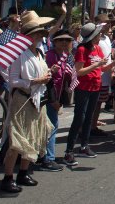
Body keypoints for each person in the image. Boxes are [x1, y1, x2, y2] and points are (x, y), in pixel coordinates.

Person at [0, 12, 55, 193]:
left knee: (34, 137)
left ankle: (23, 172)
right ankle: (8, 177)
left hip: (38, 99)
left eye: (40, 34)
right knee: (17, 141)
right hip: (22, 99)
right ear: (28, 36)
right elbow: (12, 80)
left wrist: (47, 75)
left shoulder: (39, 52)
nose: (40, 37)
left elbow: (42, 73)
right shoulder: (18, 54)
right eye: (36, 34)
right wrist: (35, 81)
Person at [63, 23, 113, 166]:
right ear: (92, 37)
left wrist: (112, 65)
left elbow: (102, 67)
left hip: (95, 86)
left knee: (89, 118)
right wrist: (97, 65)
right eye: (97, 35)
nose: (99, 37)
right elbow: (79, 71)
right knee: (79, 117)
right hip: (83, 88)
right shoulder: (82, 49)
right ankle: (69, 151)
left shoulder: (97, 49)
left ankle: (84, 145)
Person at [37, 29, 75, 172]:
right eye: (61, 40)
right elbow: (49, 80)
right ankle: (48, 159)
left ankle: (44, 155)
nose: (64, 42)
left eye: (67, 40)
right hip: (48, 95)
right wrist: (53, 100)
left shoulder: (66, 56)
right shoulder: (50, 56)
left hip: (58, 95)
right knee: (51, 127)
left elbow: (65, 78)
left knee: (50, 126)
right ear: (54, 42)